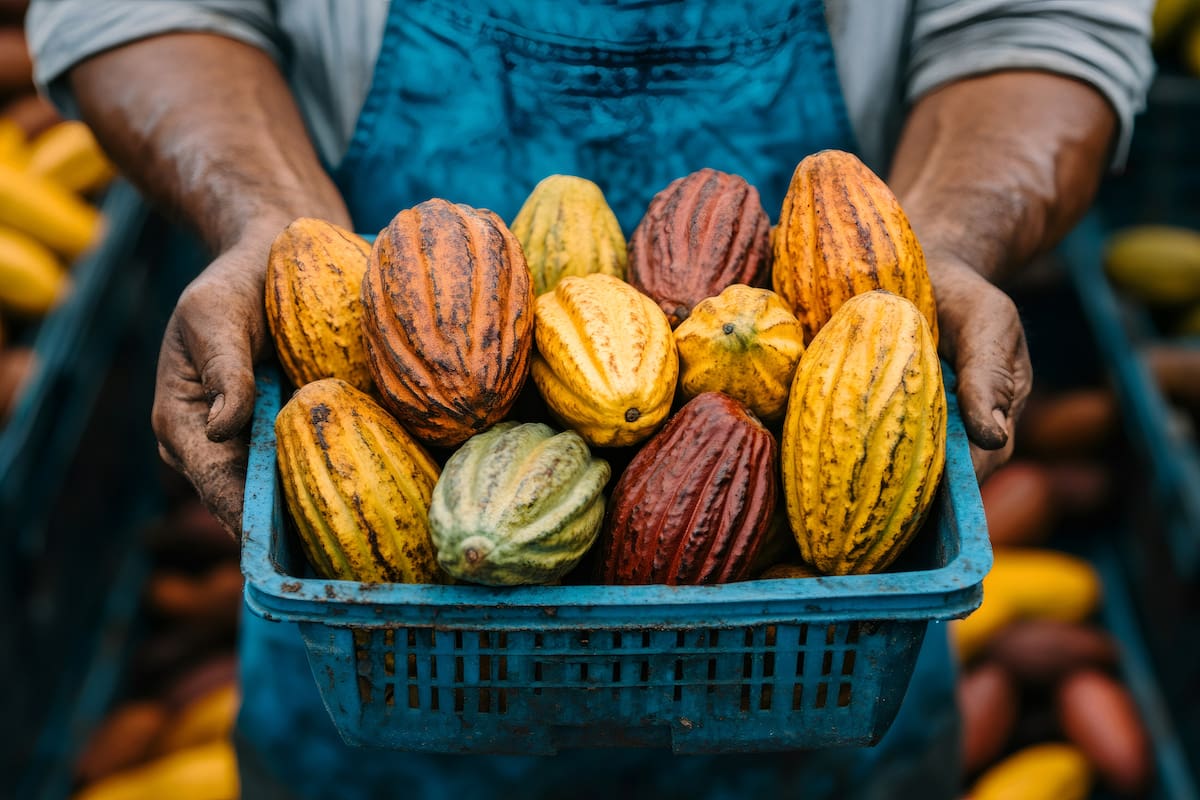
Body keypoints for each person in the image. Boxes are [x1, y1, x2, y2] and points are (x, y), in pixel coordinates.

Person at [27, 1, 1153, 797]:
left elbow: (1041, 25)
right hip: (391, 653)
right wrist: (265, 228)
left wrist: (934, 248)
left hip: (815, 671)